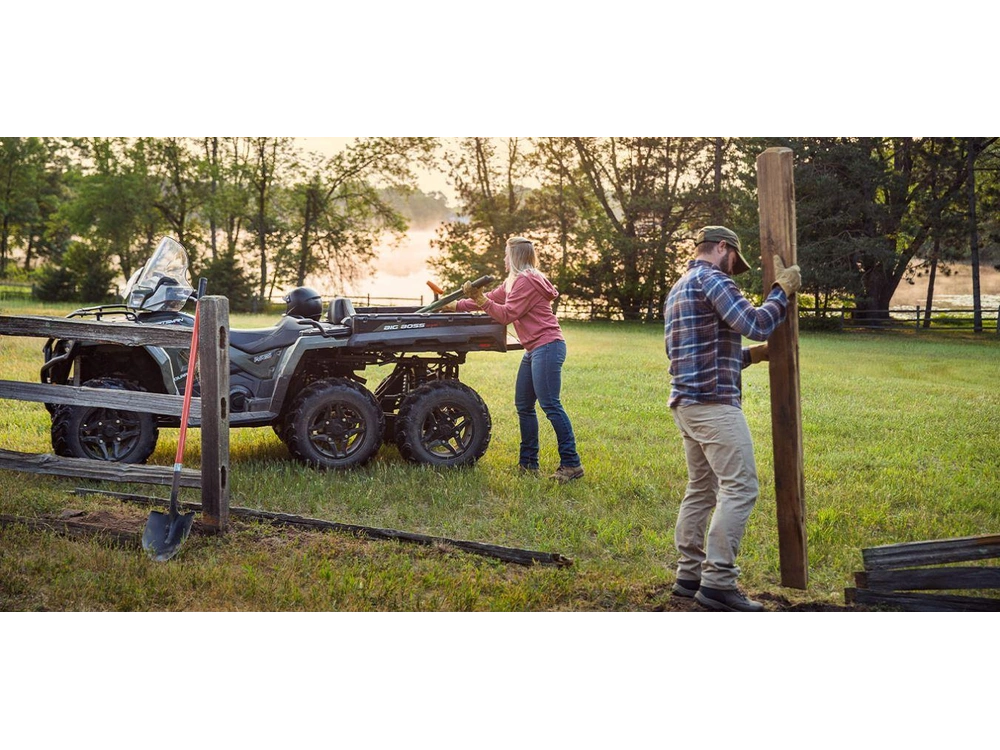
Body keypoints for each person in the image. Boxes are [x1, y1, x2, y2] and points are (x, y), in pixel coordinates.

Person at [664, 226, 802, 613]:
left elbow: (695, 355)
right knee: (741, 488)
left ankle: (689, 577)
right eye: (734, 261)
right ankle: (719, 584)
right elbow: (756, 323)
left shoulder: (681, 286)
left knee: (702, 489)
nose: (733, 269)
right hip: (714, 406)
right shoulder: (713, 279)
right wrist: (782, 290)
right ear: (722, 247)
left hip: (688, 405)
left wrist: (753, 357)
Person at [451, 237, 584, 483]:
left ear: (514, 256)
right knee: (523, 405)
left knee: (551, 405)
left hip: (548, 345)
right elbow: (491, 297)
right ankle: (528, 464)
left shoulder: (527, 282)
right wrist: (456, 305)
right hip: (534, 349)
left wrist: (481, 299)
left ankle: (571, 463)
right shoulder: (513, 281)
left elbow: (506, 314)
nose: (504, 258)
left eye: (506, 254)